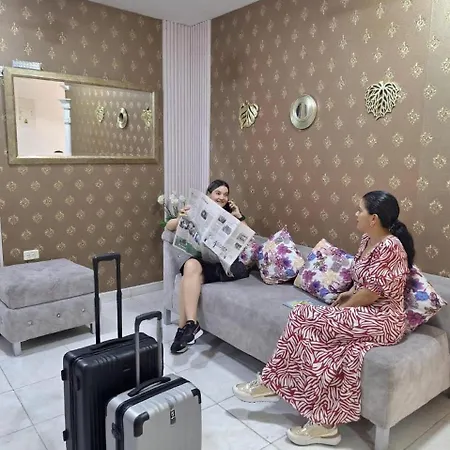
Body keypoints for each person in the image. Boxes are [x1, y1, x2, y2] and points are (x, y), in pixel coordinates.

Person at [232, 191, 415, 447]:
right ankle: (324, 425)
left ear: (373, 218)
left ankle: (273, 382)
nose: (356, 214)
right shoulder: (367, 240)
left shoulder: (390, 247)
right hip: (365, 312)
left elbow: (372, 294)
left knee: (303, 315)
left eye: (360, 210)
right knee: (341, 351)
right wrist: (348, 294)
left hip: (384, 319)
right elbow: (363, 281)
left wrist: (341, 310)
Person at [166, 180, 249, 354]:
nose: (222, 197)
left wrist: (239, 216)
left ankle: (182, 331)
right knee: (190, 266)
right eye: (218, 193)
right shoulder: (197, 210)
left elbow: (247, 237)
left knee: (187, 279)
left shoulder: (231, 216)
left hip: (226, 267)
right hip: (205, 262)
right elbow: (169, 226)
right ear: (209, 194)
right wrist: (180, 217)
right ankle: (191, 325)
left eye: (225, 194)